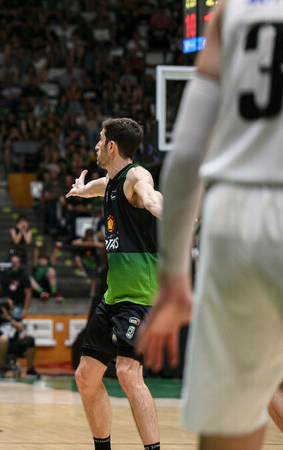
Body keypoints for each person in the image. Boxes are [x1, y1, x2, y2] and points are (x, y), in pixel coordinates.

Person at [136, 2, 283, 448]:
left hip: (243, 213)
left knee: (233, 426)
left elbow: (188, 154)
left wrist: (175, 276)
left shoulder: (232, 12)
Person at [66, 117, 163, 450]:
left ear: (112, 146)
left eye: (100, 139)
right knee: (86, 376)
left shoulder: (136, 175)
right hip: (114, 297)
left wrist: (161, 207)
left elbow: (149, 194)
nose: (95, 145)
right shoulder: (110, 182)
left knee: (127, 371)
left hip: (141, 296)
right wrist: (82, 190)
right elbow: (98, 188)